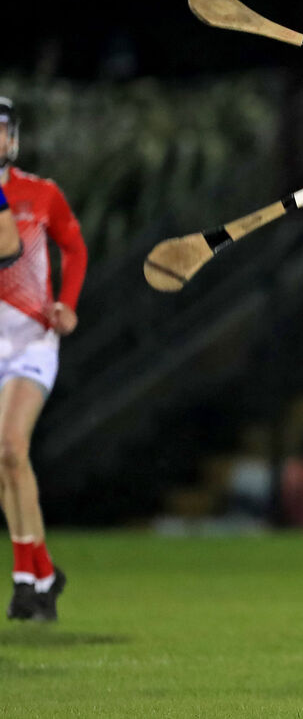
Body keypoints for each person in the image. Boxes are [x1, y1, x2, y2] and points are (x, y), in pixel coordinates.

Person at [0, 96, 87, 622]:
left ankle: (25, 580)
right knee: (5, 460)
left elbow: (74, 248)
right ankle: (43, 573)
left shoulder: (41, 193)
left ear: (13, 137)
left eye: (1, 129)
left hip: (33, 342)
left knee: (11, 445)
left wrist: (69, 307)